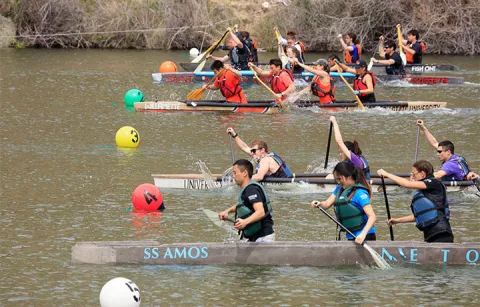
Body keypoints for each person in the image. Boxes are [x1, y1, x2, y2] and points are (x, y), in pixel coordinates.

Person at [377, 160, 454, 243]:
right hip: (431, 235)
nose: (413, 177)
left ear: (422, 174)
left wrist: (387, 174)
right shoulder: (426, 190)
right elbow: (420, 215)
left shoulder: (433, 182)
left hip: (441, 233)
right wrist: (397, 221)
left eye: (414, 174)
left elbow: (407, 184)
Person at [311, 161, 376, 244]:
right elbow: (327, 204)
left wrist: (363, 234)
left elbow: (372, 216)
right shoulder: (339, 189)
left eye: (339, 179)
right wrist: (319, 204)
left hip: (366, 236)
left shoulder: (360, 193)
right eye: (336, 179)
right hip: (351, 236)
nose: (338, 182)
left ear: (348, 176)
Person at [218, 159, 275, 242]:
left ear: (244, 173)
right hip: (255, 237)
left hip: (263, 238)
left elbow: (260, 212)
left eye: (235, 173)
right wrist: (227, 211)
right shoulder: (248, 188)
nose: (233, 176)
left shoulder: (251, 189)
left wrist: (244, 222)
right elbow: (242, 205)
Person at [227, 127, 293, 180]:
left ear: (262, 150)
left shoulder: (266, 160)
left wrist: (241, 179)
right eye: (252, 151)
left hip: (286, 188)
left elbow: (259, 177)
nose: (252, 153)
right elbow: (244, 147)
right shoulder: (260, 155)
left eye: (254, 151)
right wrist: (234, 135)